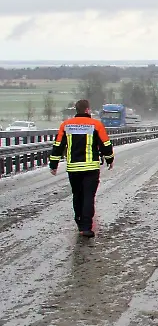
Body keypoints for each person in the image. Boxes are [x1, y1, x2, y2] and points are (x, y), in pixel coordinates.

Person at [48, 99, 114, 238]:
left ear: (76, 110)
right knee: (88, 196)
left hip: (73, 168)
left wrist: (53, 165)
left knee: (77, 195)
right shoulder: (96, 125)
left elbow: (58, 146)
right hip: (91, 168)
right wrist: (110, 159)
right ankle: (86, 227)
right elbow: (105, 144)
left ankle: (79, 223)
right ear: (87, 110)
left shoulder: (66, 125)